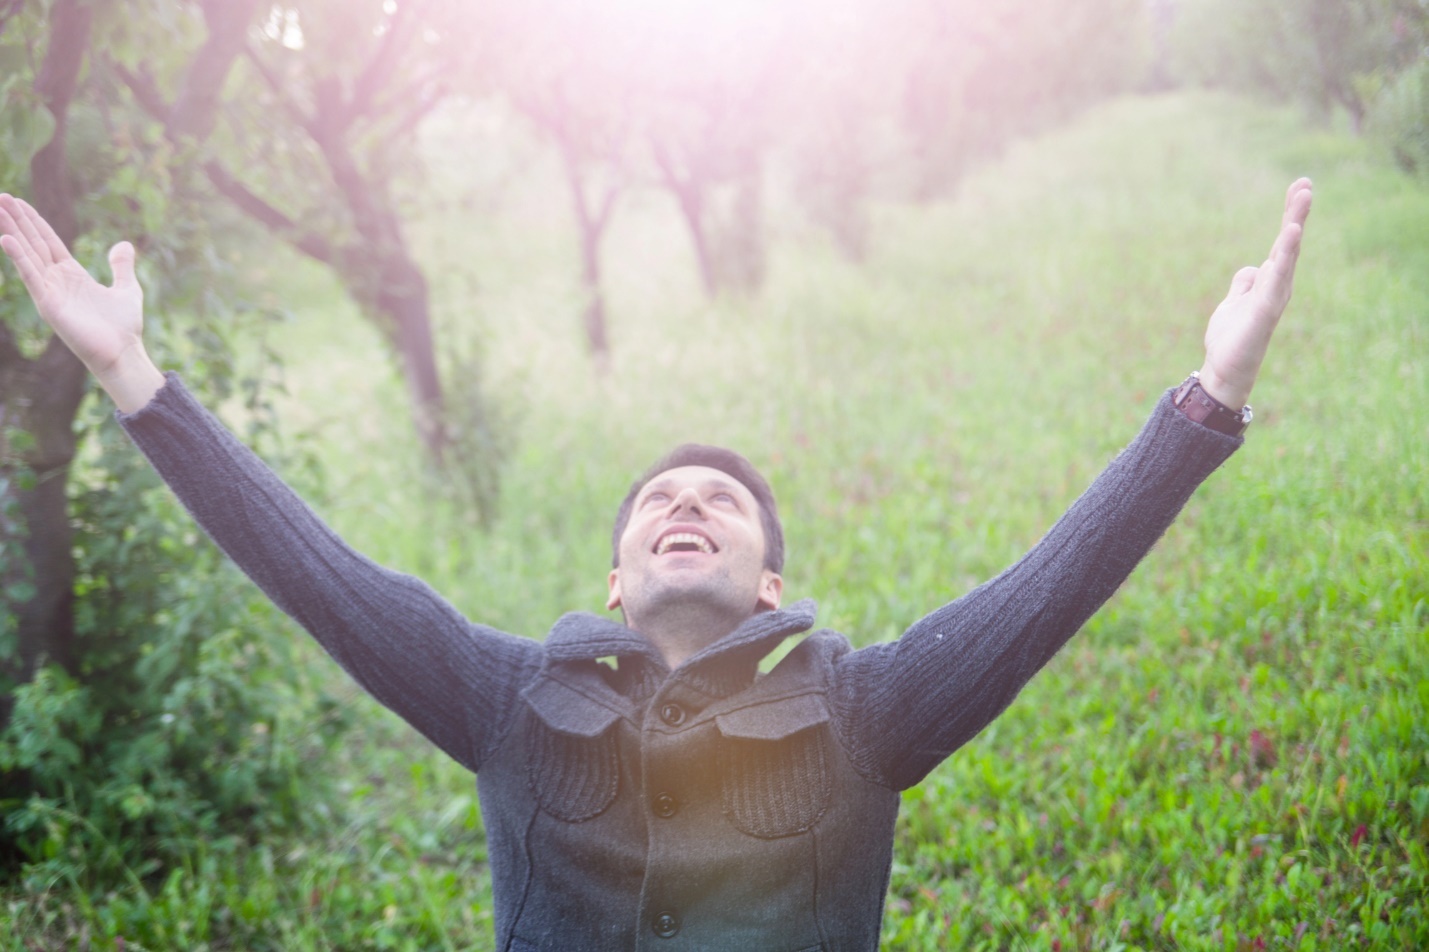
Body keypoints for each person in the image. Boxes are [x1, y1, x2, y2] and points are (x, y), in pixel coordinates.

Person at [0, 180, 1312, 951]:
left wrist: (1209, 395)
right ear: (615, 580)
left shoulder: (866, 712)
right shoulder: (499, 699)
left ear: (765, 585)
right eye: (657, 502)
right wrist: (130, 374)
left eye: (722, 502)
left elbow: (1049, 586)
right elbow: (312, 568)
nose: (686, 501)